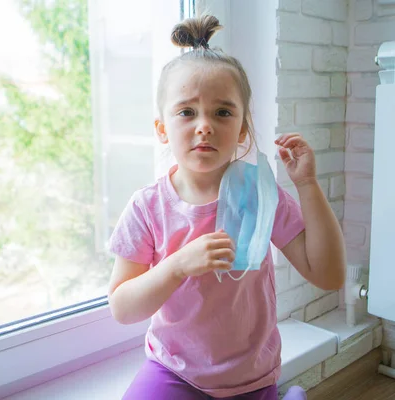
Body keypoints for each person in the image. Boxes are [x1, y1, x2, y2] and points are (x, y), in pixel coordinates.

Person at [107, 15, 346, 400]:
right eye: (186, 112)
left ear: (243, 131)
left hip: (250, 377)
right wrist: (177, 265)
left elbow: (329, 274)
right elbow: (122, 307)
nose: (204, 125)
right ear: (162, 129)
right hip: (174, 371)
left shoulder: (259, 195)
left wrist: (307, 185)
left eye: (222, 112)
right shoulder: (148, 207)